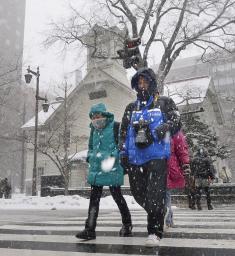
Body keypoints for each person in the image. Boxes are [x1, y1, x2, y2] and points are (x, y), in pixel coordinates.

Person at [119, 67, 181, 247]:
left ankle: (154, 232)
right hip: (135, 159)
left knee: (154, 195)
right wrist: (123, 152)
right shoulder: (131, 108)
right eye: (139, 82)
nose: (142, 85)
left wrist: (166, 127)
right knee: (139, 194)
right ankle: (160, 211)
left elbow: (177, 121)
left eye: (145, 81)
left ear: (152, 83)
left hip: (157, 157)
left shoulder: (164, 103)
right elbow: (123, 133)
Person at [75, 103, 132, 240]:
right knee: (94, 200)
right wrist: (90, 157)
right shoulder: (93, 130)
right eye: (93, 117)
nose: (96, 119)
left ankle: (127, 224)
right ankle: (90, 229)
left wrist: (112, 158)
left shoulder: (115, 126)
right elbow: (90, 146)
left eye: (98, 115)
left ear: (104, 115)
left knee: (117, 196)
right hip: (96, 169)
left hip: (111, 167)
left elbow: (121, 146)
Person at [165, 130, 190, 228]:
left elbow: (182, 149)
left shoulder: (174, 131)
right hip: (166, 165)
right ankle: (167, 220)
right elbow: (182, 149)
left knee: (165, 193)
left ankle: (168, 220)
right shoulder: (174, 130)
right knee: (165, 194)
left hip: (167, 166)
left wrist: (185, 164)